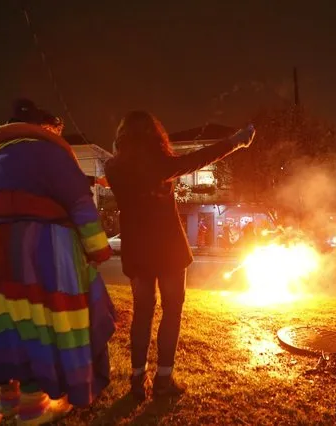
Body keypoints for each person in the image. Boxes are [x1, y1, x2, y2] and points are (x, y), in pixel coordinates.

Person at [0, 99, 115, 425]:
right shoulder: (50, 153)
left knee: (9, 324)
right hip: (42, 252)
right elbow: (79, 202)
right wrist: (98, 248)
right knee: (42, 324)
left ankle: (9, 401)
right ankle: (34, 406)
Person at [104, 111, 255, 400]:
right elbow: (198, 159)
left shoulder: (114, 167)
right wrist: (236, 141)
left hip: (137, 251)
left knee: (142, 314)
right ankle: (163, 379)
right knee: (172, 311)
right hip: (168, 249)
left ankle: (137, 382)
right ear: (153, 134)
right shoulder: (160, 164)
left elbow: (121, 172)